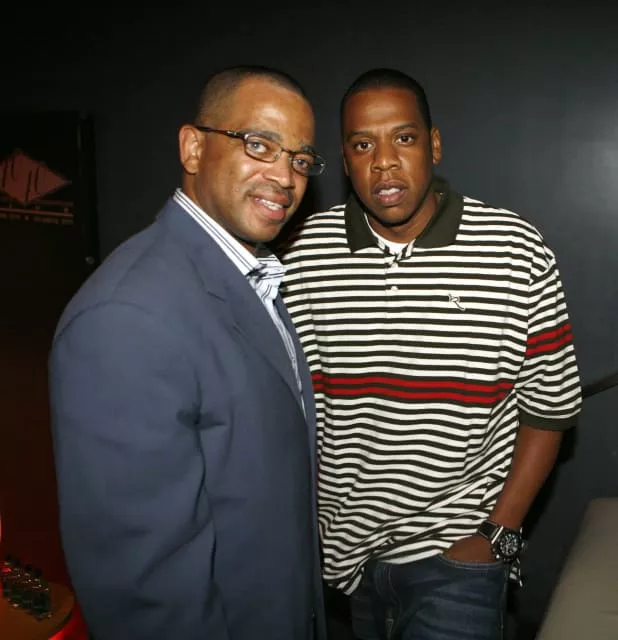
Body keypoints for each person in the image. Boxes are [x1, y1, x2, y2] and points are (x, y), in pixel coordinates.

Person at [279, 68, 582, 640]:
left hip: (458, 559)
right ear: (344, 161)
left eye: (404, 138)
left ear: (434, 145)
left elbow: (550, 408)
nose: (383, 162)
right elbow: (290, 406)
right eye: (362, 145)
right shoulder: (303, 255)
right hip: (347, 560)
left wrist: (497, 535)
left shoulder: (513, 249)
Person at [49, 65, 327, 640]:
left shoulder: (250, 276)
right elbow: (145, 593)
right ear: (193, 148)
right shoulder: (126, 317)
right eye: (259, 144)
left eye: (300, 159)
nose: (285, 176)